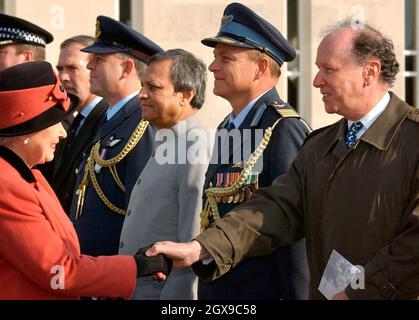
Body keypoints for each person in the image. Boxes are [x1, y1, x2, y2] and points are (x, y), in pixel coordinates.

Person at [147, 20, 419, 300]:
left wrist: (357, 291)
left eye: (329, 69)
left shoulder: (412, 141)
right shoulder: (320, 146)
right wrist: (202, 248)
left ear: (369, 72)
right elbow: (274, 210)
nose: (316, 81)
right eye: (317, 69)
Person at [0, 61, 170, 300]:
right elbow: (59, 271)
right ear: (27, 130)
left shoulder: (28, 174)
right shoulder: (7, 185)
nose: (62, 132)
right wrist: (136, 267)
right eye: (53, 122)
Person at [194, 3, 310, 300]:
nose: (212, 67)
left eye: (226, 58)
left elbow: (293, 224)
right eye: (214, 57)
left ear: (260, 67)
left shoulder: (282, 128)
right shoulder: (229, 126)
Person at [119, 49, 210, 300]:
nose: (142, 94)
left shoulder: (195, 148)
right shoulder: (168, 141)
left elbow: (191, 244)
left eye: (154, 87)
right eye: (142, 85)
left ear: (185, 94)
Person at [69, 16, 162, 256]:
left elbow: (143, 208)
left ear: (127, 68)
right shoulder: (110, 118)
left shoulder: (143, 123)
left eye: (98, 60)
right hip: (94, 269)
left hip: (118, 271)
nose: (89, 66)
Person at [51, 35, 108, 214]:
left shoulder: (105, 120)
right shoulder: (77, 119)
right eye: (60, 69)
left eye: (73, 68)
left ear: (93, 68)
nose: (63, 77)